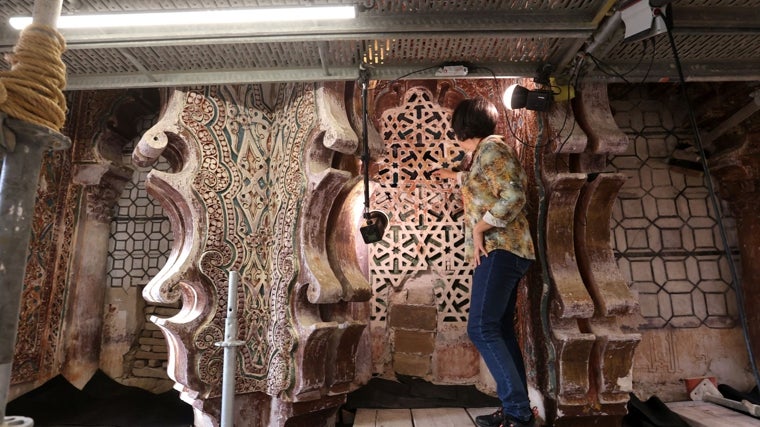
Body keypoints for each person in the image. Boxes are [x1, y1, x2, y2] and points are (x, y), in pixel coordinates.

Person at [433, 96, 536, 427]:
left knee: (480, 327)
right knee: (500, 329)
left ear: (462, 127)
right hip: (503, 251)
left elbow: (515, 194)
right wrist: (453, 174)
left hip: (500, 249)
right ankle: (515, 410)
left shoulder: (492, 150)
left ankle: (518, 413)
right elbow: (483, 185)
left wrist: (479, 228)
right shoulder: (483, 154)